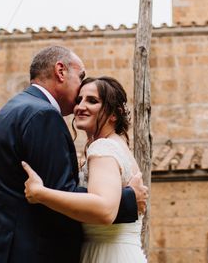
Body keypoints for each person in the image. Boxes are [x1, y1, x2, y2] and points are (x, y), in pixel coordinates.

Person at [0, 46, 147, 262]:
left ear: (114, 113)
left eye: (91, 100)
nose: (80, 101)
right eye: (80, 77)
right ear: (60, 71)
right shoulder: (43, 115)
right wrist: (127, 200)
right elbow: (59, 194)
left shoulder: (8, 112)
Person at [22, 76, 147, 263]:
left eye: (92, 101)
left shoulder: (103, 148)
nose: (80, 106)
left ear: (115, 113)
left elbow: (104, 210)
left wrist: (40, 193)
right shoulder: (116, 145)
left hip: (108, 254)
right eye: (79, 100)